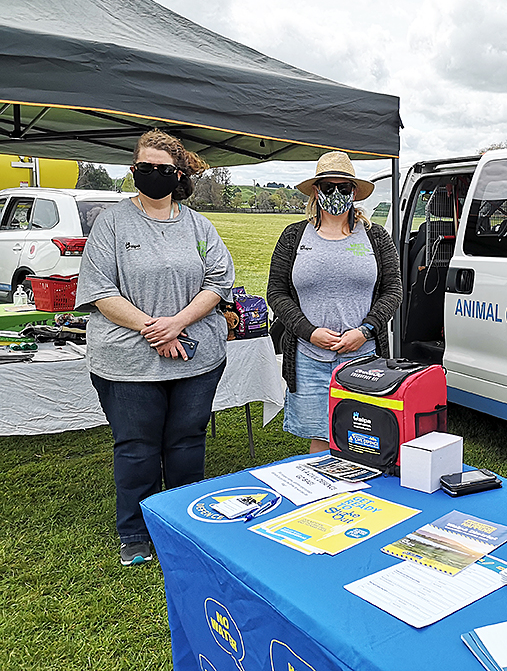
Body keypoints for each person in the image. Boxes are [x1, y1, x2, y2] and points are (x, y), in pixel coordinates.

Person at [75, 129, 235, 566]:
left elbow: (219, 280)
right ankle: (135, 532)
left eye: (162, 169)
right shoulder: (112, 222)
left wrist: (178, 323)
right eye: (144, 168)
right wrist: (154, 330)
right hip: (127, 361)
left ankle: (185, 524)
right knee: (137, 447)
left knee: (186, 442)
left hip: (196, 358)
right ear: (133, 171)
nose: (153, 175)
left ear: (177, 174)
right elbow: (99, 288)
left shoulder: (199, 225)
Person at [267, 151, 402, 454]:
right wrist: (308, 331)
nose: (337, 194)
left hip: (364, 359)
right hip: (309, 358)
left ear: (355, 192)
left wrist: (366, 330)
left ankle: (360, 498)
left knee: (364, 436)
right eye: (329, 187)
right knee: (320, 437)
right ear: (316, 191)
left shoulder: (375, 237)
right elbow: (276, 292)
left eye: (344, 188)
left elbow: (393, 291)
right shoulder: (294, 236)